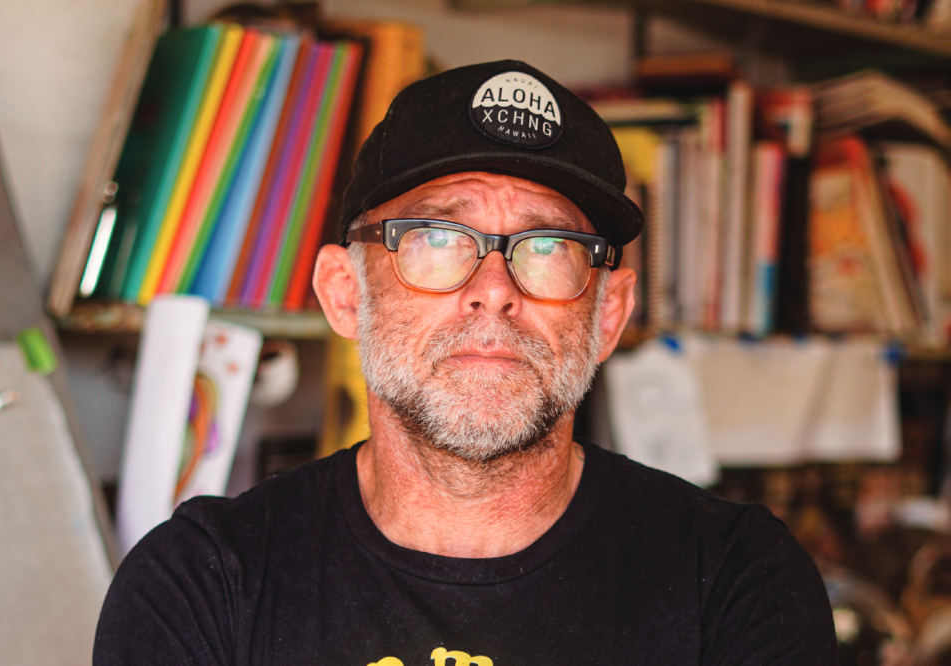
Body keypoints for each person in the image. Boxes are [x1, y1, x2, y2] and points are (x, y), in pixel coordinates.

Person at [93, 60, 838, 666]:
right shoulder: (200, 584)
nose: (493, 293)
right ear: (344, 293)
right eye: (437, 239)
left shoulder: (738, 582)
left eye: (548, 249)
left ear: (608, 314)